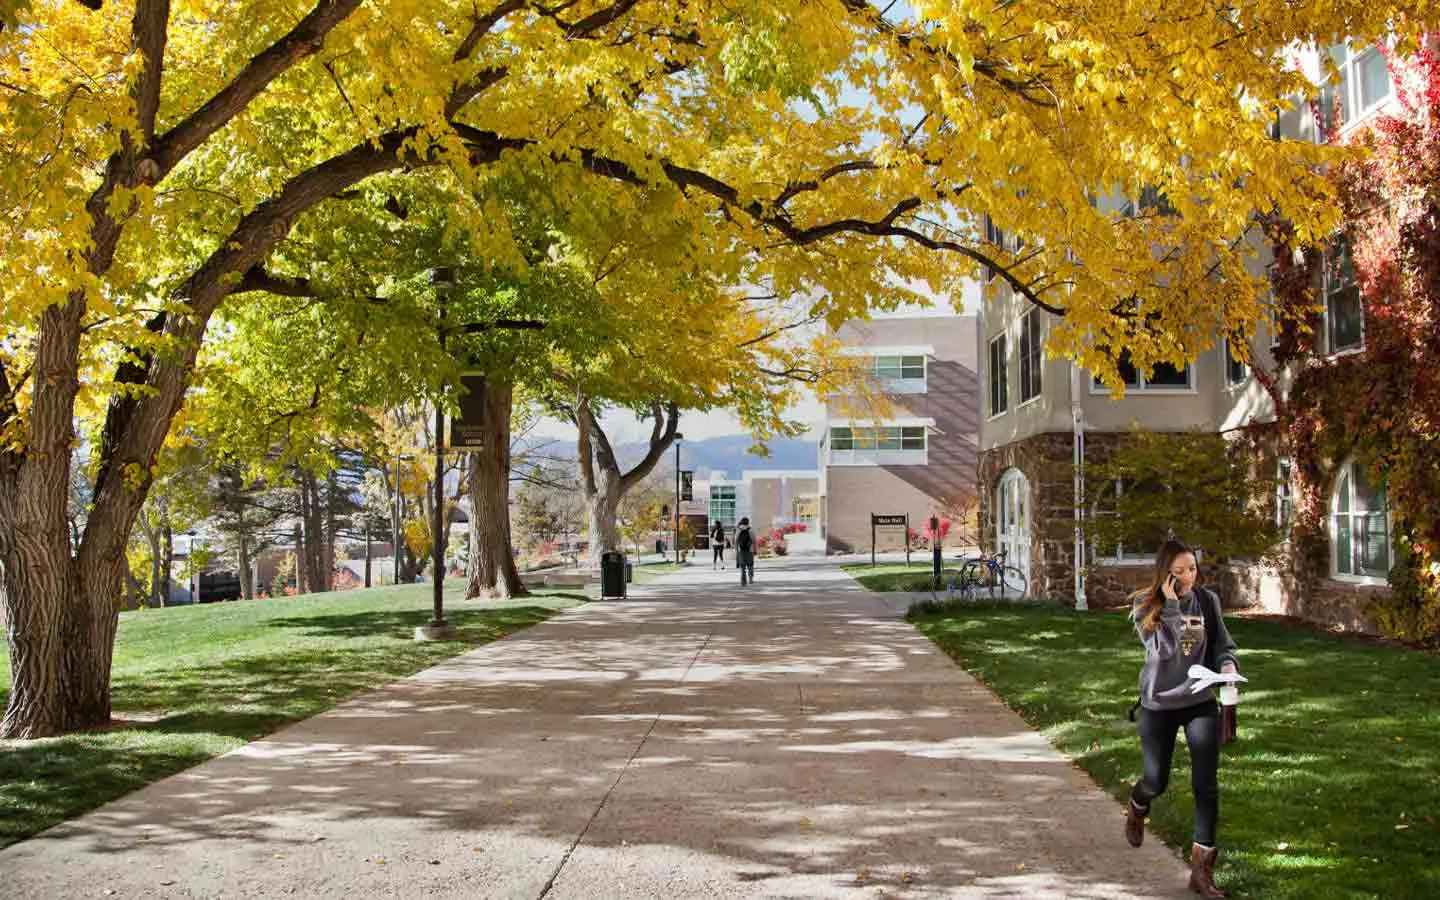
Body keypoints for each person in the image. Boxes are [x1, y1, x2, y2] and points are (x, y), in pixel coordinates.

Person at [1124, 539, 1239, 899]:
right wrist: (1172, 607)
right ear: (1164, 576)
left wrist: (1228, 664)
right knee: (1155, 781)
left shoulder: (1208, 601)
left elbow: (1222, 643)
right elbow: (1162, 653)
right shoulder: (1145, 604)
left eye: (1192, 569)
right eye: (1179, 572)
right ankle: (1138, 804)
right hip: (1159, 704)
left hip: (1199, 699)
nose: (1188, 577)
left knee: (1206, 784)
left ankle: (1201, 870)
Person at [734, 517, 756, 585]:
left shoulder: (738, 529)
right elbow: (754, 541)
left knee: (742, 566)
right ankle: (750, 579)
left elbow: (736, 541)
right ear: (748, 522)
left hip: (741, 550)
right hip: (750, 550)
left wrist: (736, 550)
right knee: (750, 565)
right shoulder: (750, 529)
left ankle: (743, 581)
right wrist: (755, 550)